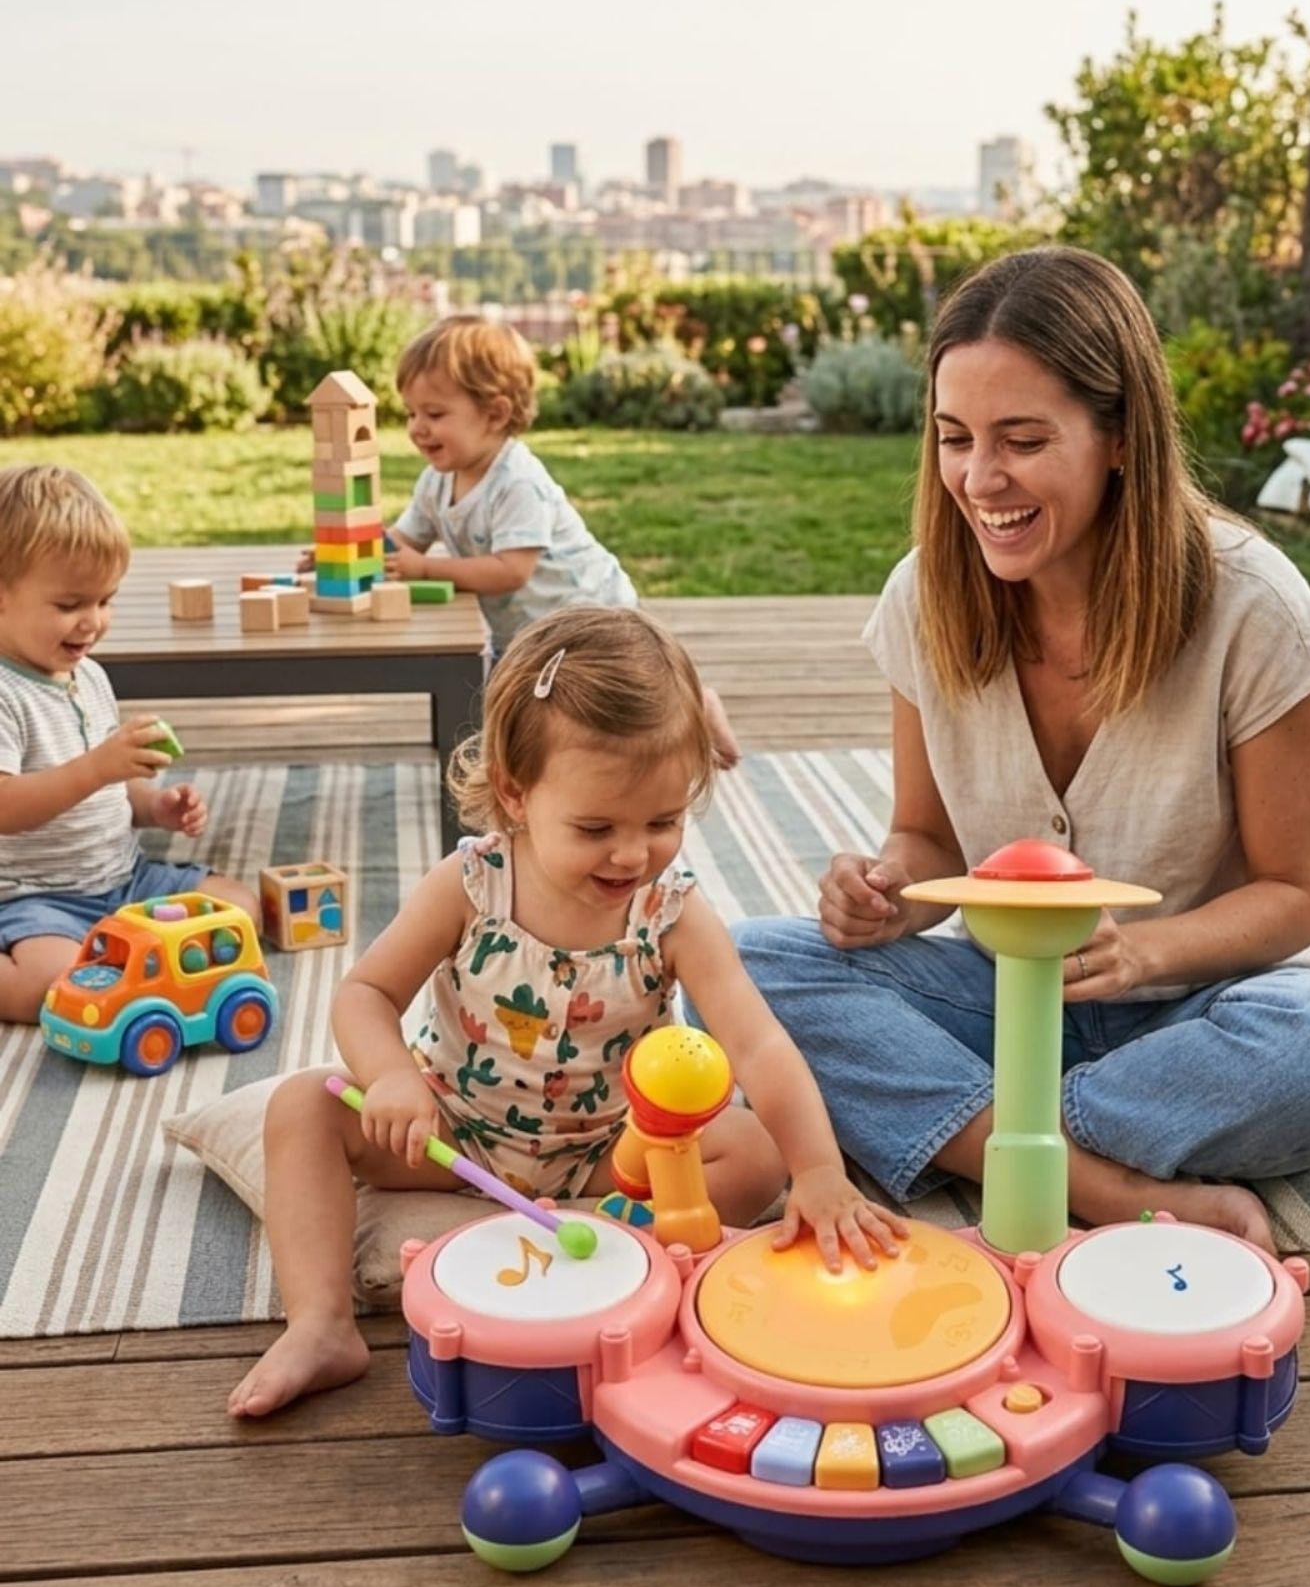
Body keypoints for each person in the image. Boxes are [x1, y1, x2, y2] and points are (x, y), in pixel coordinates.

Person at [731, 247, 1310, 1254]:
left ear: (1120, 437)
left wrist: (1144, 952)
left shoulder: (1255, 608)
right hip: (1006, 997)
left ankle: (974, 1125)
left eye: (1023, 439)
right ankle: (1105, 1181)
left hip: (1207, 1010)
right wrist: (884, 892)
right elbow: (926, 840)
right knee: (741, 966)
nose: (979, 478)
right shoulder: (924, 596)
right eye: (955, 438)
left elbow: (1293, 896)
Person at [229, 605, 905, 1419]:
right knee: (303, 1104)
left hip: (612, 1154)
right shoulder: (470, 885)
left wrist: (819, 1171)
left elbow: (759, 1045)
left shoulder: (672, 912)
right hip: (456, 1134)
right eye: (595, 827)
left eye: (663, 822)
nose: (632, 853)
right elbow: (365, 994)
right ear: (515, 794)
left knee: (753, 1151)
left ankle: (620, 1262)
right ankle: (320, 1324)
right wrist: (393, 1078)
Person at [380, 313, 741, 766]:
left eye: (434, 414)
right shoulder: (436, 481)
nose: (417, 427)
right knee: (538, 714)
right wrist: (349, 551)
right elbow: (403, 540)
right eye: (411, 413)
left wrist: (426, 568)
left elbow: (512, 570)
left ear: (495, 414)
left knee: (628, 701)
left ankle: (698, 706)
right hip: (529, 632)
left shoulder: (517, 482)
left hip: (591, 613)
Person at [0, 464, 258, 1022]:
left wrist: (156, 806)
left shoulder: (87, 675)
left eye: (105, 601)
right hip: (35, 897)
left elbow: (110, 790)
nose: (92, 622)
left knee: (240, 912)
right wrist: (97, 768)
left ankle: (125, 961)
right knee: (48, 988)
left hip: (125, 880)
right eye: (70, 605)